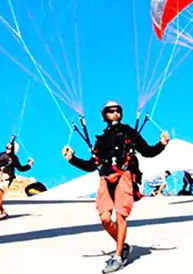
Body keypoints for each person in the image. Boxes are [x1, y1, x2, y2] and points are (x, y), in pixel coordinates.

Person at [63, 100, 170, 274]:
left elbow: (147, 151)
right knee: (105, 218)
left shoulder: (128, 132)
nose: (115, 114)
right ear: (104, 115)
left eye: (118, 110)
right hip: (106, 177)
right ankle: (124, 245)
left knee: (121, 216)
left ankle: (118, 256)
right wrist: (72, 159)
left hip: (124, 175)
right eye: (111, 111)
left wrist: (161, 144)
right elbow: (92, 165)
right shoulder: (101, 140)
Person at [0, 138, 33, 222]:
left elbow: (21, 168)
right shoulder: (1, 155)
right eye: (7, 146)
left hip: (6, 177)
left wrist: (29, 165)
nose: (8, 146)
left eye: (10, 146)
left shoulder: (14, 158)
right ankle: (3, 212)